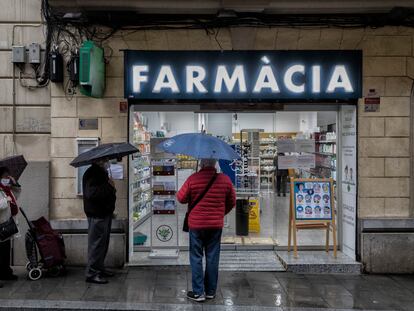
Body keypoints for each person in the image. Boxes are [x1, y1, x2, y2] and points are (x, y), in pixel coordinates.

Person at [177, 159, 236, 302]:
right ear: (215, 165)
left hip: (196, 225)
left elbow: (181, 198)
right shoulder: (225, 180)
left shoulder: (193, 178)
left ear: (202, 165)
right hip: (215, 226)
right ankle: (210, 291)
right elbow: (232, 202)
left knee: (196, 257)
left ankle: (198, 292)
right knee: (212, 257)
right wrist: (220, 214)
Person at [82, 159, 116, 284]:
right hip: (97, 214)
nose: (107, 162)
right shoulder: (93, 173)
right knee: (96, 244)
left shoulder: (101, 172)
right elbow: (92, 194)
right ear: (99, 161)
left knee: (102, 244)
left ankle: (99, 268)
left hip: (104, 213)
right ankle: (92, 273)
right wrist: (109, 186)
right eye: (105, 161)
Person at [0, 166, 21, 284]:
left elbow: (15, 197)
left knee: (6, 250)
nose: (7, 178)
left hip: (7, 223)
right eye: (5, 176)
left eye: (8, 176)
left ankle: (6, 272)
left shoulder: (6, 189)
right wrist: (6, 200)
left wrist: (15, 184)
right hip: (0, 224)